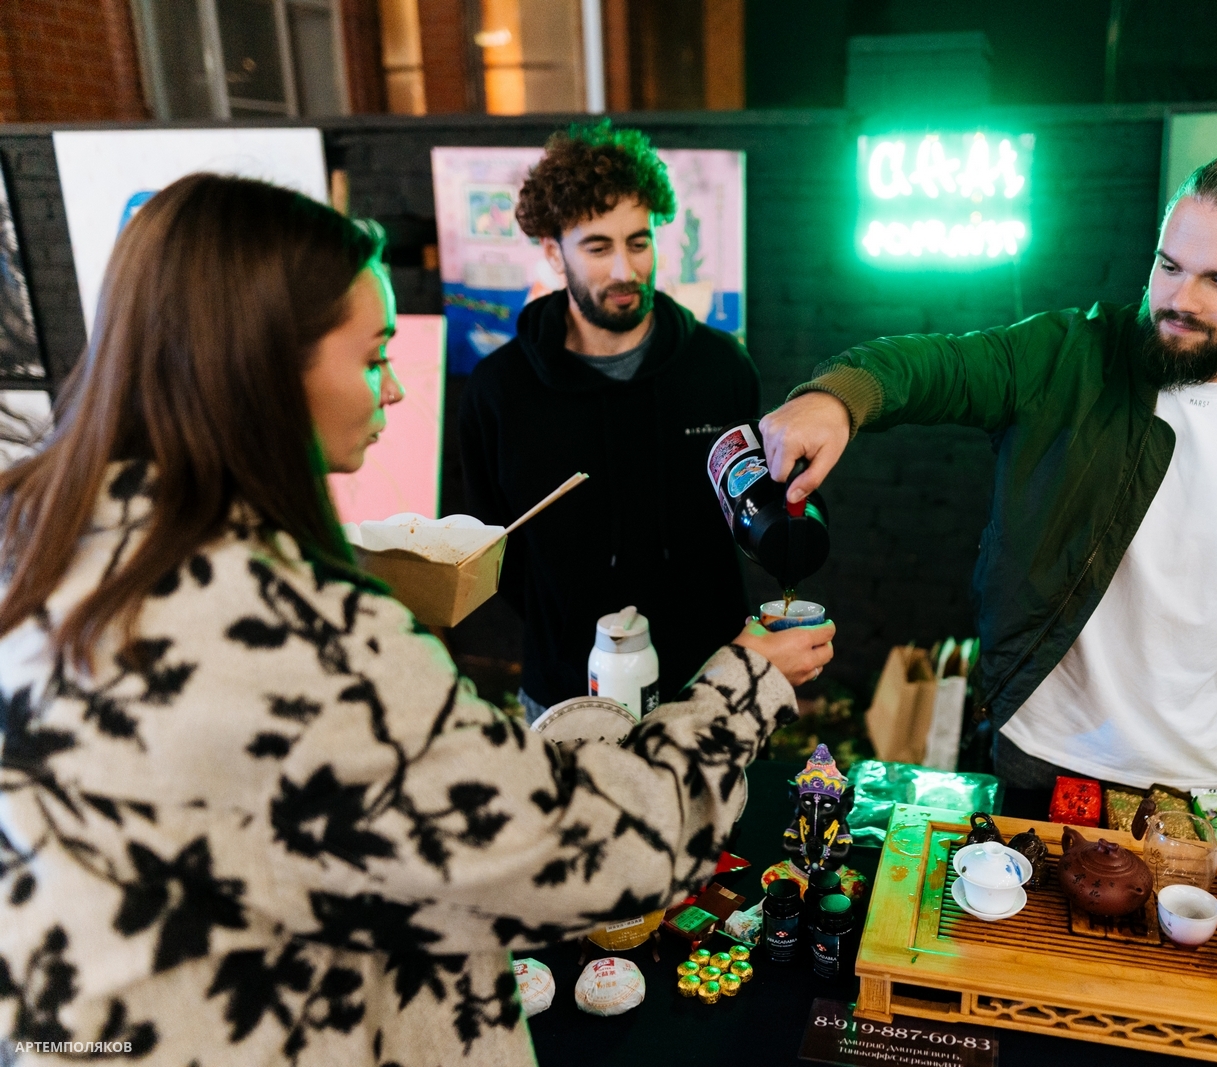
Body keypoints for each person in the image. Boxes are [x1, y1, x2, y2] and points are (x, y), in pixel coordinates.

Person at [0, 174, 833, 1065]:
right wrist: (744, 683)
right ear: (262, 368)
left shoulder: (45, 548)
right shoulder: (294, 632)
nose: (395, 390)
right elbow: (607, 848)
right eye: (372, 357)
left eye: (640, 240)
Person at [761, 151, 1217, 855]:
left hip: (1208, 776)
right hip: (1044, 753)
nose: (1180, 299)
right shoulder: (1068, 357)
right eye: (1169, 265)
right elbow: (940, 365)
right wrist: (837, 398)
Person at [459, 121, 759, 722]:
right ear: (553, 252)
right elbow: (494, 546)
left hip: (710, 686)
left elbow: (748, 506)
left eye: (638, 242)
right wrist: (563, 619)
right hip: (566, 690)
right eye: (598, 248)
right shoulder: (500, 389)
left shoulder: (719, 367)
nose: (625, 269)